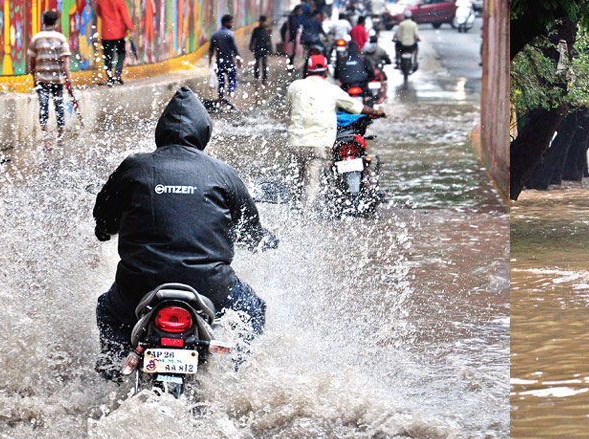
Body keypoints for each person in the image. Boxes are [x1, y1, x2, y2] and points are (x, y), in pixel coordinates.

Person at [92, 87, 272, 376]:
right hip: (211, 287)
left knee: (108, 312)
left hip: (138, 285)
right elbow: (251, 230)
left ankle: (111, 377)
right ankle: (238, 378)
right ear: (204, 132)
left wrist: (105, 231)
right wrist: (260, 239)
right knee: (254, 310)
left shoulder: (134, 167)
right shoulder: (224, 173)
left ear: (160, 131)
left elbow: (103, 220)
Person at [286, 53, 381, 208]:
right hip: (319, 144)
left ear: (307, 71)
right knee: (312, 185)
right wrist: (376, 112)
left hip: (295, 142)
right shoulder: (332, 90)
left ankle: (292, 213)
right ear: (325, 72)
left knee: (295, 183)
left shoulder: (294, 86)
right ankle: (307, 218)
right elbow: (357, 107)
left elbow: (289, 111)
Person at [26, 10, 71, 150]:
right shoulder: (61, 38)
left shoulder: (36, 38)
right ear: (56, 22)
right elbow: (65, 61)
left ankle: (46, 140)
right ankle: (61, 137)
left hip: (41, 79)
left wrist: (34, 76)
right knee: (59, 106)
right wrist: (68, 79)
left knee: (43, 107)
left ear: (43, 21)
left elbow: (32, 59)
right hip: (57, 79)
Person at [96, 0, 132, 85]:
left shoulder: (100, 1)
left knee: (108, 56)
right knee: (121, 53)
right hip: (119, 32)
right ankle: (118, 73)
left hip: (106, 32)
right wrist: (130, 27)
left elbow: (99, 12)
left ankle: (110, 78)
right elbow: (125, 14)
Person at [208, 14, 241, 105]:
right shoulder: (230, 34)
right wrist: (238, 59)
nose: (232, 24)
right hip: (229, 61)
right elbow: (234, 49)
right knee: (232, 80)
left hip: (219, 62)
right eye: (231, 22)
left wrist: (210, 62)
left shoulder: (215, 35)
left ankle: (221, 100)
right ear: (226, 23)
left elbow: (211, 50)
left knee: (221, 81)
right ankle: (229, 98)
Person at [249, 15, 273, 84]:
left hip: (265, 49)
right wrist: (251, 46)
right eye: (261, 22)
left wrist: (270, 50)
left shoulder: (268, 30)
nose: (262, 23)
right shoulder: (256, 30)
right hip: (257, 48)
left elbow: (269, 40)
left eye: (263, 22)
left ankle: (264, 78)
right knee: (256, 64)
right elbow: (252, 39)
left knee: (264, 64)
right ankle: (256, 77)